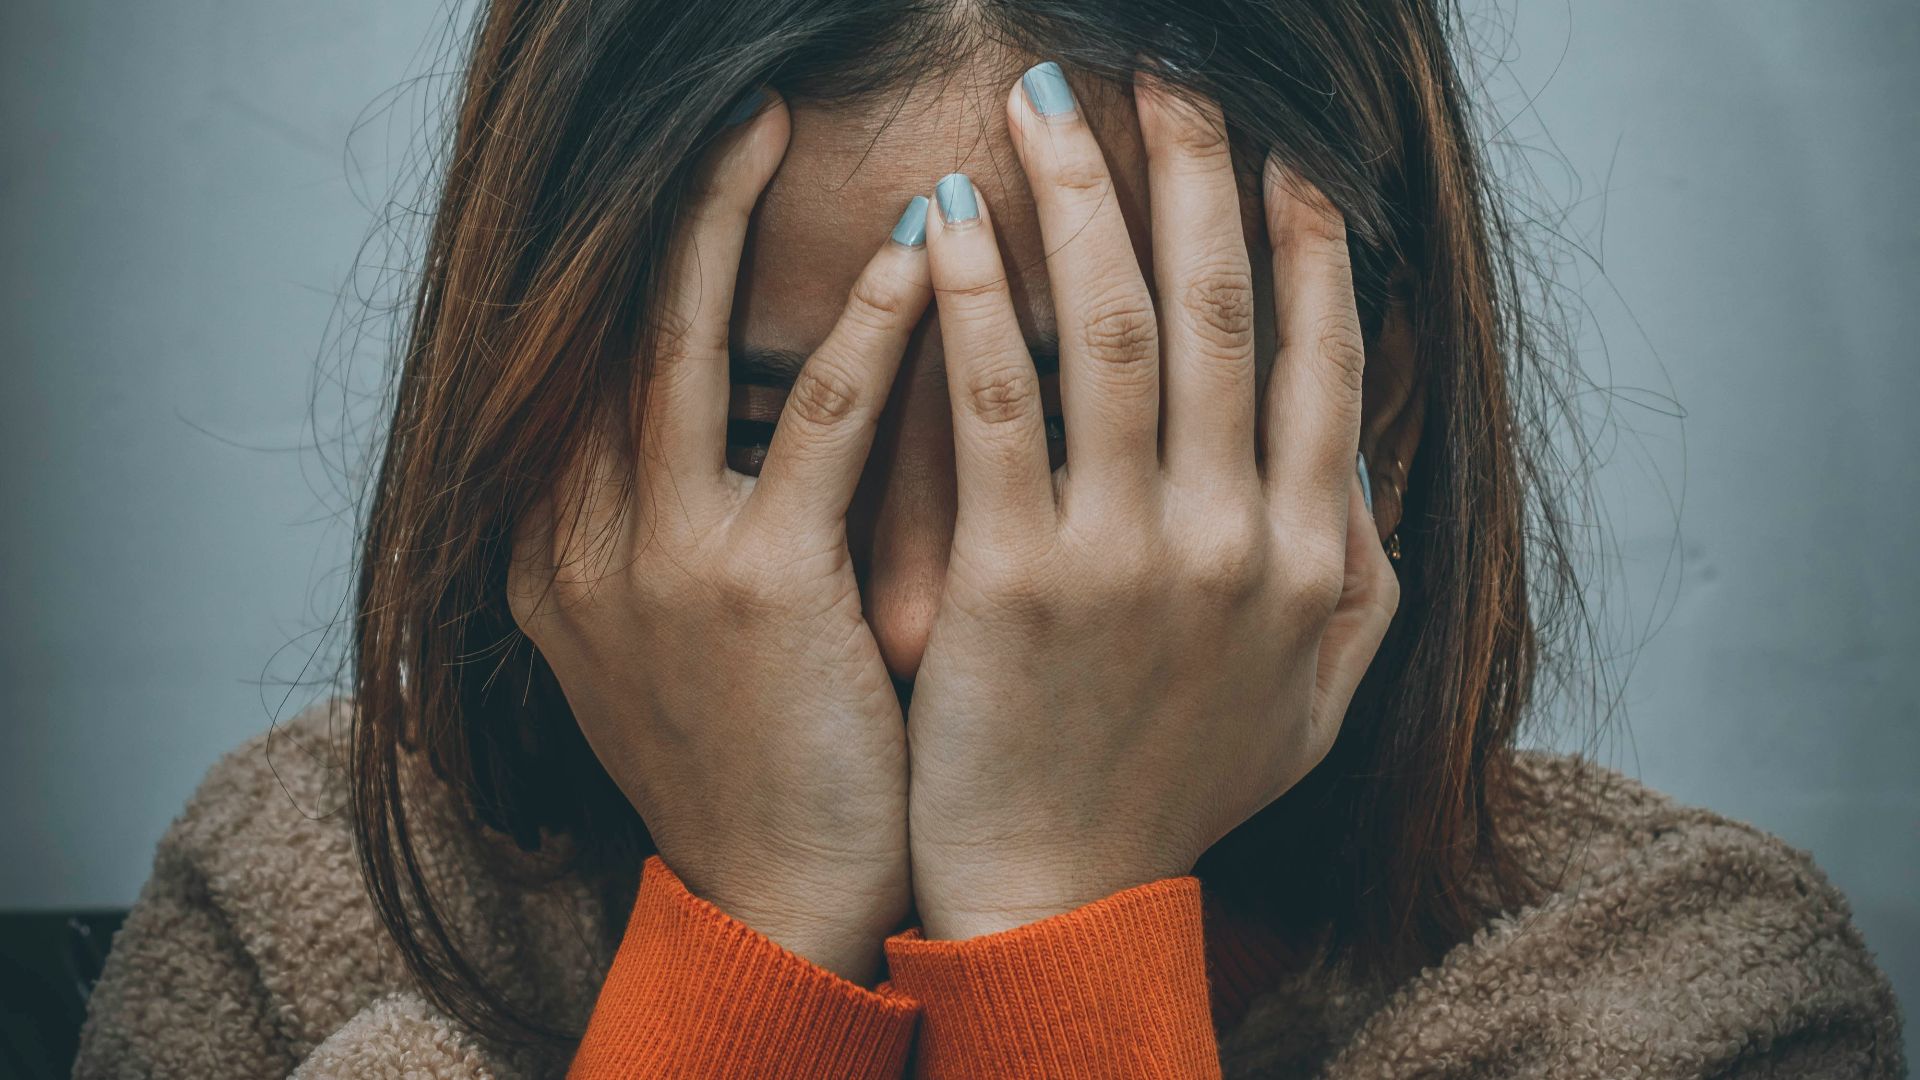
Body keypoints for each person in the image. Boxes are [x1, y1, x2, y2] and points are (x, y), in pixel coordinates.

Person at [73, 0, 1905, 1076]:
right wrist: (752, 946)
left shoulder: (1676, 995)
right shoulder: (312, 913)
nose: (911, 611)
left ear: (1375, 404)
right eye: (763, 442)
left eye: (1087, 447)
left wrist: (1057, 922)